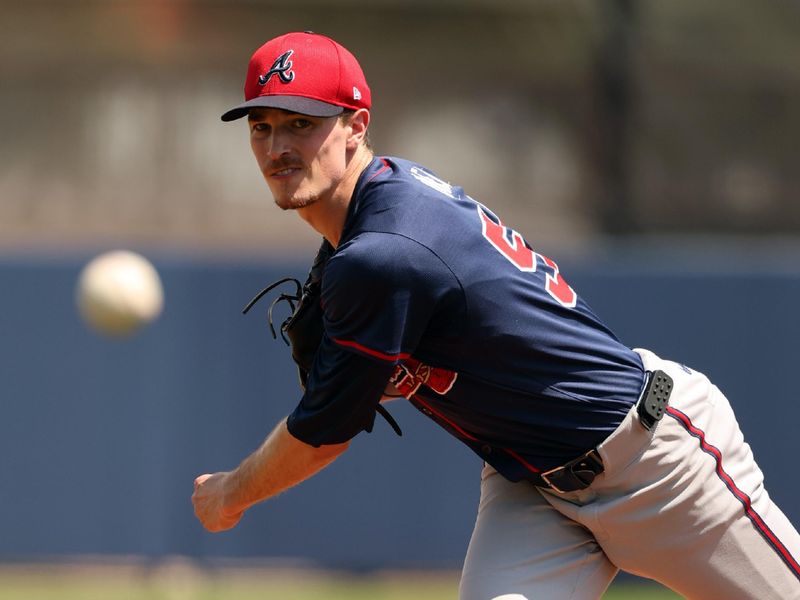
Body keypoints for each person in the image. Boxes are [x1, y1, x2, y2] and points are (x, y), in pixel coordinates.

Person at [192, 31, 800, 599]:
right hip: (530, 485)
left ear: (355, 125)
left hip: (653, 462)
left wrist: (231, 493)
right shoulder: (378, 207)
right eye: (262, 126)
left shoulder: (382, 255)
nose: (277, 147)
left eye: (301, 124)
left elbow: (323, 434)